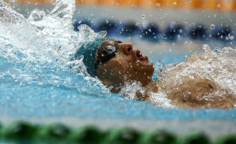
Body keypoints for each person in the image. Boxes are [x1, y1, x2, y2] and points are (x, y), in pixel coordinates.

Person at [94, 38, 236, 109]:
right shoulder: (172, 95)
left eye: (119, 42)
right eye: (108, 52)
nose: (127, 45)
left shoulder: (171, 77)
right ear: (106, 82)